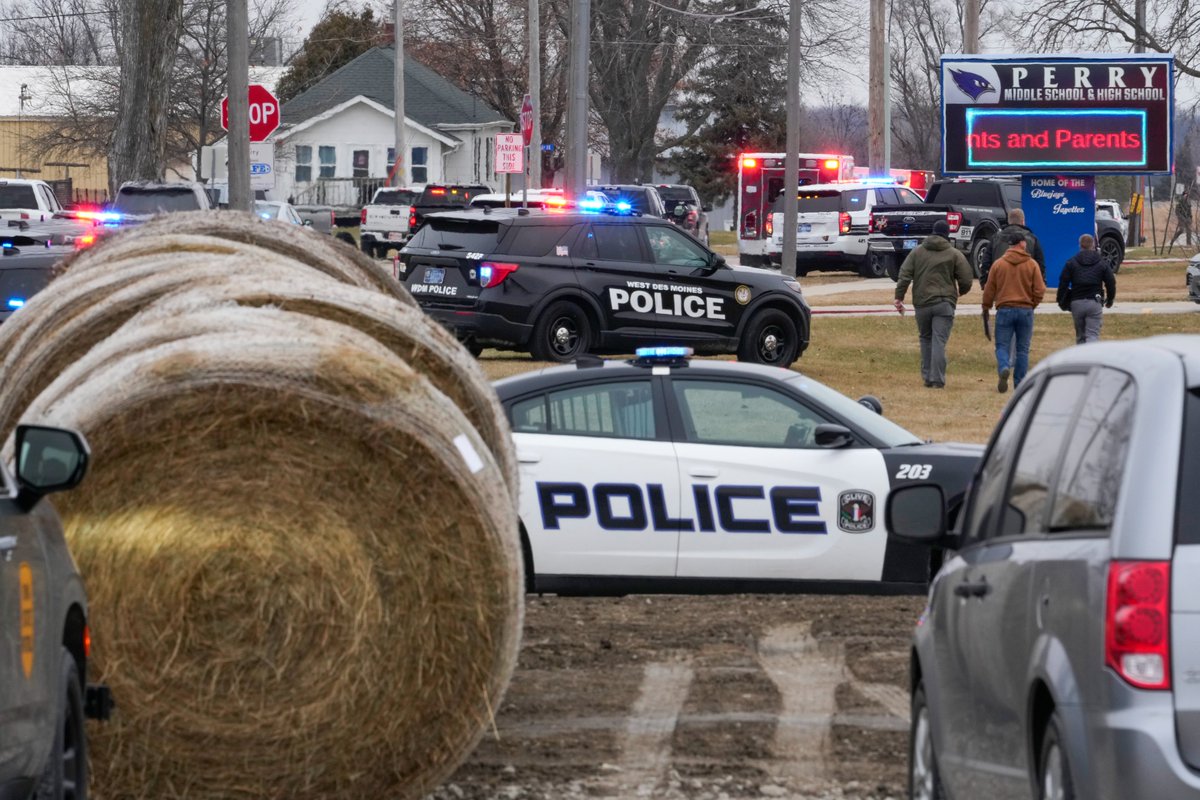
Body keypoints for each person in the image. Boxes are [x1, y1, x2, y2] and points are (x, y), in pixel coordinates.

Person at [893, 219, 974, 388]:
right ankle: (937, 378)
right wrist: (961, 291)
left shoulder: (916, 252)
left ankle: (927, 377)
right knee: (939, 340)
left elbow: (904, 275)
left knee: (925, 338)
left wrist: (899, 297)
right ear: (947, 234)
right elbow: (966, 278)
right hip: (944, 302)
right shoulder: (954, 253)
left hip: (922, 303)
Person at [982, 230, 1046, 393]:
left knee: (1002, 346)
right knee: (1022, 349)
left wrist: (986, 306)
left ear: (1009, 246)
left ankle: (1004, 366)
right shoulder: (1032, 264)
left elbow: (989, 289)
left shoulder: (998, 264)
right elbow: (1040, 289)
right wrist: (1032, 304)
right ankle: (1020, 384)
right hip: (1025, 310)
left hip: (1004, 309)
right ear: (1022, 244)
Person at [1056, 233, 1116, 344]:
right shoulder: (1101, 263)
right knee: (1092, 335)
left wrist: (1061, 301)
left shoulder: (1071, 262)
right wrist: (1110, 299)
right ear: (1093, 245)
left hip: (1077, 302)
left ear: (1080, 245)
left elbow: (1063, 282)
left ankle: (1081, 354)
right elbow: (1110, 282)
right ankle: (1091, 354)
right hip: (1094, 301)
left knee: (1080, 337)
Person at [983, 208, 1045, 288]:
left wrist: (985, 284)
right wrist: (1039, 285)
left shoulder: (995, 238)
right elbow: (1040, 265)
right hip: (1025, 288)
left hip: (1000, 287)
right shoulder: (1032, 239)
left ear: (1009, 221)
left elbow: (986, 263)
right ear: (1023, 221)